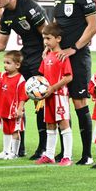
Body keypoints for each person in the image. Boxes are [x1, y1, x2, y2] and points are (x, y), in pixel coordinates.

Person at [0, 0, 49, 159]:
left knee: (40, 103)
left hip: (41, 57)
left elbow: (47, 33)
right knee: (17, 99)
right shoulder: (6, 16)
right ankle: (19, 147)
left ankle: (43, 148)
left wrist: (47, 55)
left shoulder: (29, 7)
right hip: (26, 57)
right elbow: (1, 44)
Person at [50, 0, 96, 165]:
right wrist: (49, 44)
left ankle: (87, 154)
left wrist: (75, 48)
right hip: (60, 59)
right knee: (62, 105)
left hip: (78, 58)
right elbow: (57, 26)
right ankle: (66, 153)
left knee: (80, 103)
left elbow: (94, 26)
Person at [35, 23, 75, 165]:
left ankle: (67, 157)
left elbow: (68, 77)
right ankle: (49, 155)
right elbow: (42, 76)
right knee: (50, 125)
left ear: (58, 39)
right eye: (44, 39)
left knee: (64, 125)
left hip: (59, 96)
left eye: (48, 38)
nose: (45, 42)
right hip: (48, 97)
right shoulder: (46, 56)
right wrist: (36, 88)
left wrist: (52, 88)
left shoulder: (62, 56)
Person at [0, 51, 29, 160]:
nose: (5, 65)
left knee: (15, 131)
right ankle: (6, 151)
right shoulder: (3, 76)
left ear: (17, 65)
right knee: (6, 131)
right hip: (4, 109)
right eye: (4, 62)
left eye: (8, 63)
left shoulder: (20, 80)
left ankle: (14, 153)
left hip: (14, 110)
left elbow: (23, 96)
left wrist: (20, 108)